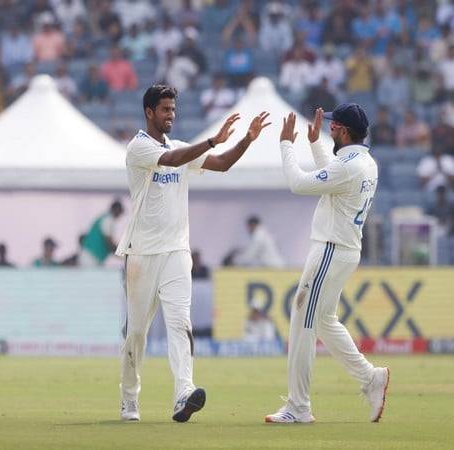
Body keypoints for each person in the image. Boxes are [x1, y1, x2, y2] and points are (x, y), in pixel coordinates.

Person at [116, 84, 271, 423]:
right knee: (137, 333)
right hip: (141, 253)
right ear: (149, 112)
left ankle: (183, 393)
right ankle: (129, 399)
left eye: (173, 109)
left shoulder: (182, 148)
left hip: (176, 251)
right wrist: (213, 139)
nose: (171, 115)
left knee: (180, 323)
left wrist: (246, 140)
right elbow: (171, 160)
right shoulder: (139, 147)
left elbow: (222, 164)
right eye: (165, 110)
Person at [267, 105, 389, 423]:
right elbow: (335, 178)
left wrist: (285, 144)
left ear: (344, 132)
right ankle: (370, 377)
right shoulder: (365, 162)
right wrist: (315, 143)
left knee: (302, 322)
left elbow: (299, 183)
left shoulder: (349, 167)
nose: (329, 131)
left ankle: (298, 406)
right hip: (343, 250)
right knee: (323, 321)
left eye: (333, 128)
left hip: (330, 251)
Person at [79, 200, 124, 267]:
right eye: (120, 212)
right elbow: (109, 243)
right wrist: (124, 256)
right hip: (90, 257)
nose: (120, 215)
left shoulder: (106, 219)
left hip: (92, 258)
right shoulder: (107, 220)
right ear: (116, 209)